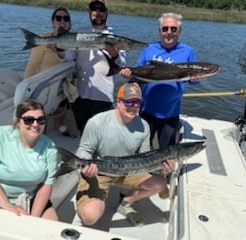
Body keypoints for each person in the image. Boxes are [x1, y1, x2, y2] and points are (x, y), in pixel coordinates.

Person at [75, 83, 175, 226]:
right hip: (99, 172)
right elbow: (85, 149)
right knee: (90, 216)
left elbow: (144, 157)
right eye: (128, 101)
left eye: (137, 102)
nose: (133, 106)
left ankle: (125, 203)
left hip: (128, 171)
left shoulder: (144, 126)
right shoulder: (97, 122)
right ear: (118, 101)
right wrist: (84, 165)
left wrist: (162, 170)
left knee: (159, 183)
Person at [120, 12, 200, 149]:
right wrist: (129, 75)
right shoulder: (148, 49)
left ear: (179, 31)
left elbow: (192, 81)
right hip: (146, 110)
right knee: (141, 148)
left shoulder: (188, 51)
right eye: (165, 29)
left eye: (173, 29)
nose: (169, 32)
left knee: (166, 151)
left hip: (171, 112)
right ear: (160, 31)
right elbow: (138, 77)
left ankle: (164, 170)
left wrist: (196, 79)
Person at [0, 99, 59, 221]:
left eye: (40, 120)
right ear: (18, 122)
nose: (35, 124)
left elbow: (46, 185)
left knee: (51, 232)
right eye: (29, 120)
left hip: (31, 198)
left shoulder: (50, 147)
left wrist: (32, 219)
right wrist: (7, 206)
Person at [72, 0, 126, 133]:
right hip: (80, 94)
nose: (98, 13)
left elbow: (121, 65)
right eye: (94, 9)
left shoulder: (114, 36)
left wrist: (114, 55)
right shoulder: (80, 32)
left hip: (103, 96)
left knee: (100, 135)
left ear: (107, 13)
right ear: (90, 12)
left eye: (101, 9)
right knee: (82, 132)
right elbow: (69, 57)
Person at [24, 7, 75, 78]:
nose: (62, 21)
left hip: (65, 86)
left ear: (69, 23)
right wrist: (25, 83)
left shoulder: (76, 40)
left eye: (66, 19)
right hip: (46, 84)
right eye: (58, 18)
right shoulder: (42, 38)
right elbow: (32, 64)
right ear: (53, 22)